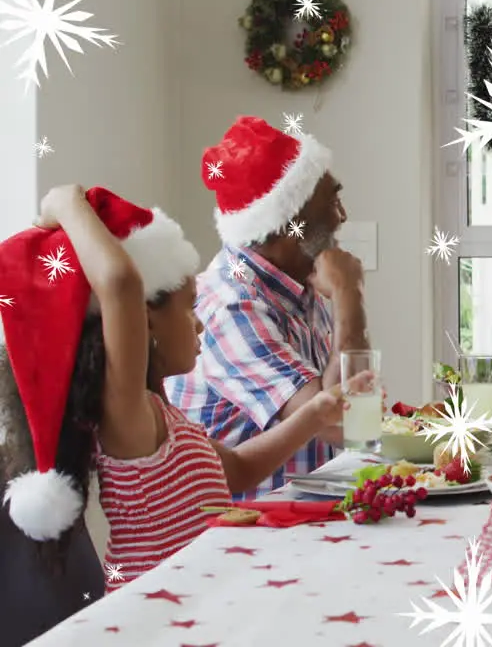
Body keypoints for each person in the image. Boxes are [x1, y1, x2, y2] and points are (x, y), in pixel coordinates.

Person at [0, 186, 348, 640]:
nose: (200, 322)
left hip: (200, 606)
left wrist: (316, 413)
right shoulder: (129, 423)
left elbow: (238, 469)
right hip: (154, 624)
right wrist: (66, 204)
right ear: (144, 324)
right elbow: (121, 286)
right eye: (189, 310)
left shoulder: (164, 416)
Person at [167, 116, 370, 499]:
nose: (342, 216)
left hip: (306, 521)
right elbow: (347, 422)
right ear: (291, 221)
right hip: (244, 538)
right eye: (332, 201)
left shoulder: (298, 282)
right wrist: (349, 294)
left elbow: (358, 417)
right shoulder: (231, 307)